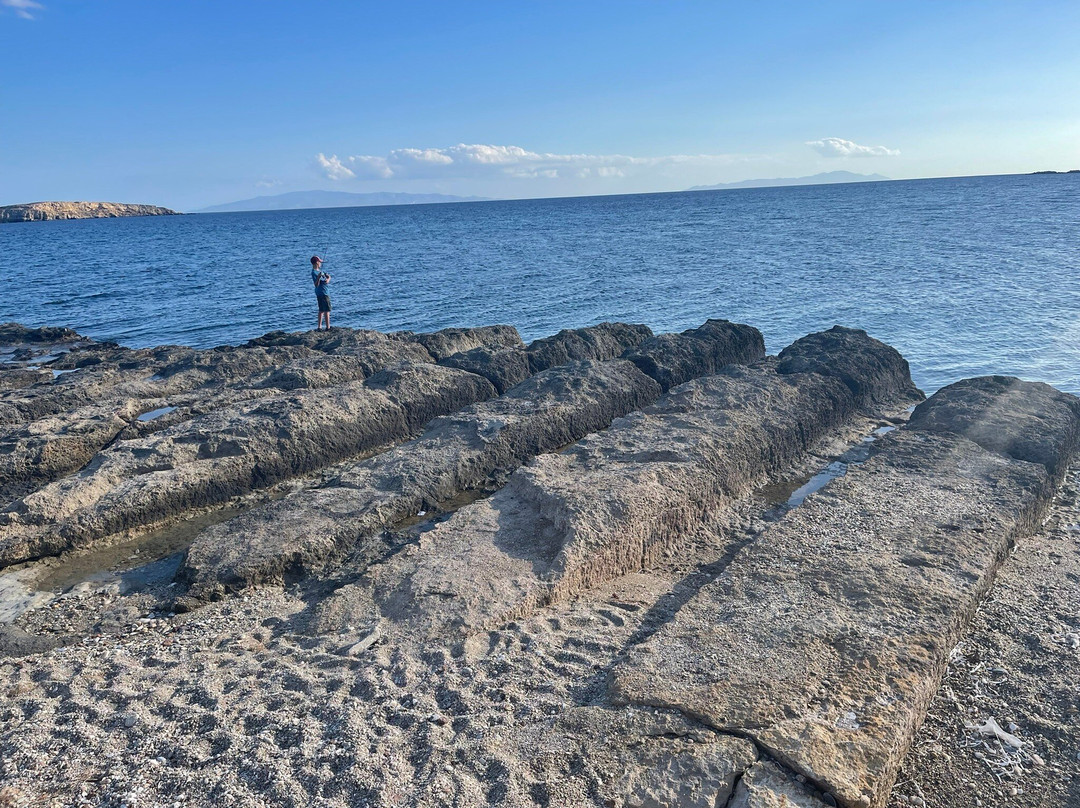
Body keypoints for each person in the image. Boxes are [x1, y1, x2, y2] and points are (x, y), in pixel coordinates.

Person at [310, 255, 331, 330]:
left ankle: (319, 327)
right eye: (320, 262)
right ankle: (328, 327)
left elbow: (328, 278)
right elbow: (316, 284)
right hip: (322, 293)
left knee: (321, 310)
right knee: (326, 310)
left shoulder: (320, 271)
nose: (321, 263)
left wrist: (328, 279)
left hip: (323, 292)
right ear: (316, 263)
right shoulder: (314, 273)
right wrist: (318, 277)